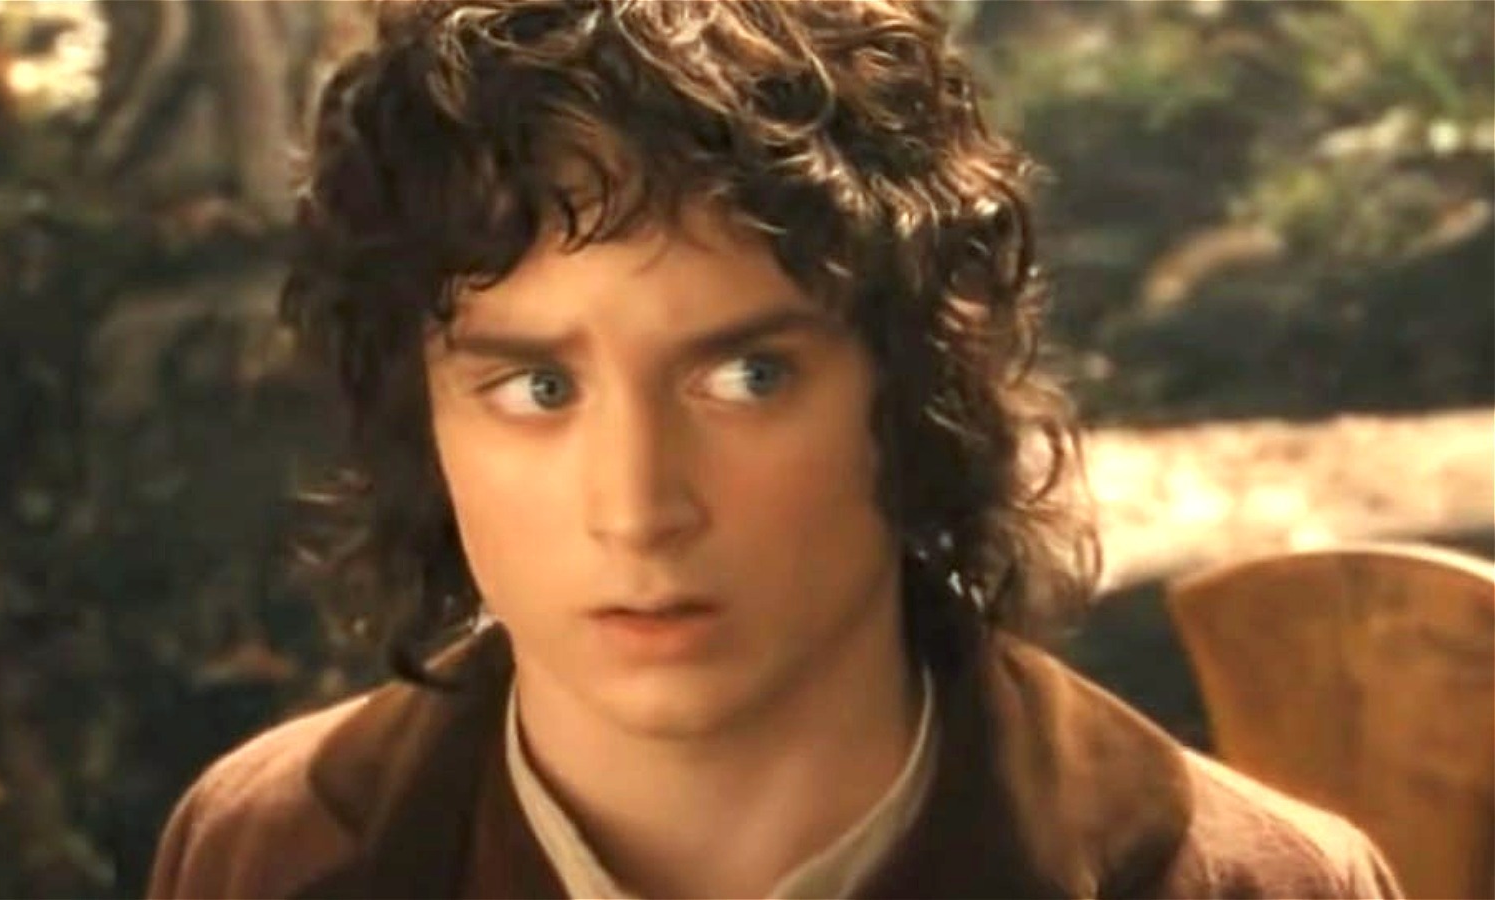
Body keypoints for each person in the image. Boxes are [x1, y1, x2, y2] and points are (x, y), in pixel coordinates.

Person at [147, 2, 1402, 897]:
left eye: (747, 377)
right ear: (422, 414)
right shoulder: (269, 850)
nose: (638, 507)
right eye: (537, 387)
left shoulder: (1248, 882)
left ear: (909, 384)